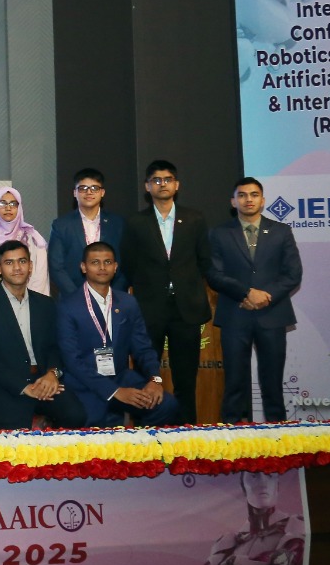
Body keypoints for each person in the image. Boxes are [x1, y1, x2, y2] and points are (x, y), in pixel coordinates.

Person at [120, 160, 212, 424]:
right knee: (147, 378)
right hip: (149, 310)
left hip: (186, 309)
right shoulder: (136, 222)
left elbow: (204, 261)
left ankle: (187, 433)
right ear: (147, 186)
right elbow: (128, 265)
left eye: (168, 179)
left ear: (177, 185)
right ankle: (145, 432)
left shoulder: (194, 219)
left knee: (186, 379)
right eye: (156, 180)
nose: (162, 184)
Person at [207, 177, 302, 423]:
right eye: (242, 195)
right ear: (233, 201)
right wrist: (246, 293)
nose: (248, 199)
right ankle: (231, 437)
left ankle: (278, 437)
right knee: (234, 383)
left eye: (254, 195)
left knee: (273, 383)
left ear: (263, 200)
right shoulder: (219, 233)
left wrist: (265, 296)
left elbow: (293, 274)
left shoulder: (281, 231)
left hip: (272, 315)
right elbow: (214, 274)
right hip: (235, 314)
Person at [56, 241, 180, 427]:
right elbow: (72, 362)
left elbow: (143, 348)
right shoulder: (68, 306)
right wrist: (115, 391)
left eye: (107, 262)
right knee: (93, 428)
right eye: (95, 262)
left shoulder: (128, 303)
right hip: (85, 384)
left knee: (166, 405)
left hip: (120, 377)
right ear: (83, 267)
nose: (102, 267)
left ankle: (142, 442)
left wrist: (155, 379)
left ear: (115, 267)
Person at [0, 240, 87, 430]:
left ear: (30, 266)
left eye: (22, 261)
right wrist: (22, 387)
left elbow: (55, 347)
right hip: (5, 386)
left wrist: (53, 373)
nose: (17, 268)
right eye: (9, 263)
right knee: (15, 440)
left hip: (43, 380)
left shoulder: (46, 304)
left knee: (75, 415)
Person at [191, 471, 306, 565]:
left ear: (277, 486)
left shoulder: (295, 526)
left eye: (269, 475)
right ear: (243, 487)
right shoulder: (227, 541)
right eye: (254, 475)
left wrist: (233, 563)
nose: (263, 483)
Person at [48, 168, 127, 296]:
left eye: (94, 188)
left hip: (112, 296)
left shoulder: (117, 223)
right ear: (74, 193)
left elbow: (125, 264)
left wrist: (113, 294)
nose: (89, 192)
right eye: (83, 188)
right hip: (73, 297)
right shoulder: (61, 225)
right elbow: (56, 267)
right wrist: (78, 296)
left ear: (102, 192)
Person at [0, 185, 50, 296]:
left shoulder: (31, 238)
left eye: (13, 204)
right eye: (2, 203)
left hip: (27, 298)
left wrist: (32, 301)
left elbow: (40, 277)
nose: (8, 208)